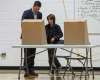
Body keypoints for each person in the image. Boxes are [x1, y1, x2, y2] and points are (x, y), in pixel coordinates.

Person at [21, 1, 42, 77]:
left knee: (33, 54)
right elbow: (22, 24)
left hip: (35, 37)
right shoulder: (26, 13)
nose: (37, 10)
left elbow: (40, 25)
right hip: (27, 36)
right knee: (27, 54)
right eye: (37, 8)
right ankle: (26, 71)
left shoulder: (40, 14)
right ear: (34, 6)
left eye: (39, 9)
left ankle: (31, 70)